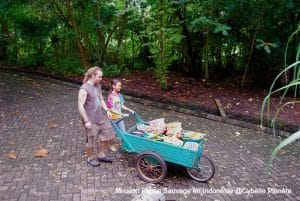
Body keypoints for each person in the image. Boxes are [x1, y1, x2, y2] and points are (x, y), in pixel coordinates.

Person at [78, 66, 115, 167]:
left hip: (100, 117)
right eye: (99, 77)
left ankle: (101, 155)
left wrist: (107, 110)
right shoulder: (84, 89)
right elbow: (80, 106)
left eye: (101, 77)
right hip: (90, 119)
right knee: (90, 139)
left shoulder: (98, 86)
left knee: (107, 133)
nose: (101, 79)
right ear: (92, 75)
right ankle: (90, 158)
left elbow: (101, 100)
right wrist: (86, 121)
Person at [107, 79, 134, 151]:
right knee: (112, 133)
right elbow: (111, 109)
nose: (120, 87)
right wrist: (122, 114)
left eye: (120, 86)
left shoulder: (120, 95)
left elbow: (122, 106)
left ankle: (125, 146)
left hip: (119, 117)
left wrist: (129, 110)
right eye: (118, 86)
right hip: (112, 118)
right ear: (113, 86)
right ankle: (110, 145)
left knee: (123, 132)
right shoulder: (110, 96)